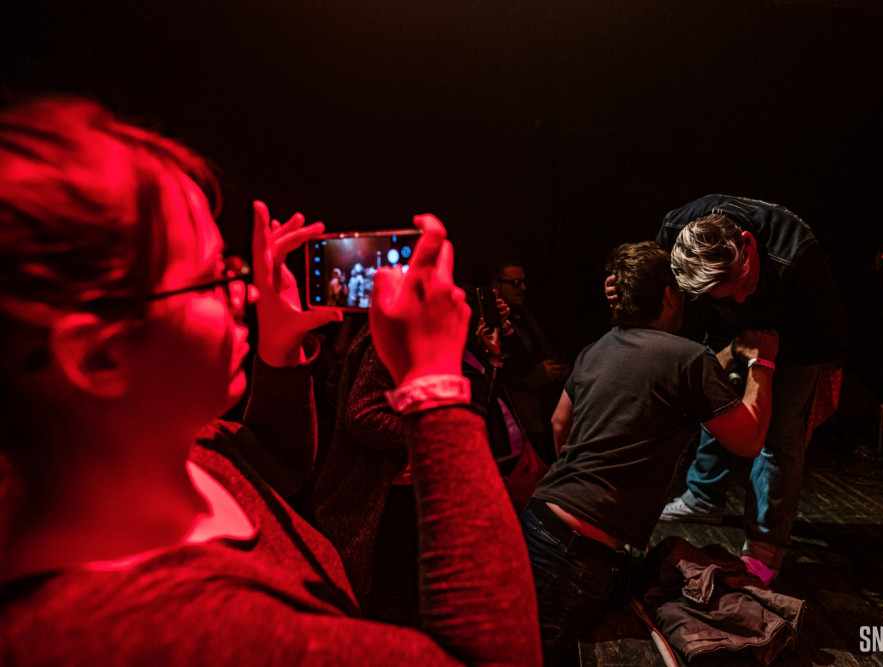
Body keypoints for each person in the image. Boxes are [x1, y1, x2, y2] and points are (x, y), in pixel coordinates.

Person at [0, 96, 541, 666]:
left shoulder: (143, 455)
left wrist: (278, 351)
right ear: (99, 359)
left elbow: (265, 459)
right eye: (212, 278)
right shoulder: (192, 633)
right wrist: (435, 385)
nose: (247, 292)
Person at [525, 241, 778, 666]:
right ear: (667, 295)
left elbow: (558, 423)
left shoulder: (596, 349)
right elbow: (749, 440)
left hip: (538, 524)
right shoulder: (689, 357)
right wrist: (763, 364)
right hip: (576, 555)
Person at [646, 194, 848, 585]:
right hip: (729, 336)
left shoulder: (797, 253)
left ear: (748, 244)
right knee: (714, 408)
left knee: (779, 436)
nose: (741, 299)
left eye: (744, 284)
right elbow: (652, 284)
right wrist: (626, 287)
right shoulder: (674, 229)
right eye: (726, 293)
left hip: (795, 344)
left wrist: (766, 355)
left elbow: (830, 339)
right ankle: (703, 497)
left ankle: (765, 545)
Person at [492, 259, 568, 463]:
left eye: (524, 282)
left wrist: (558, 368)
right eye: (515, 283)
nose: (522, 288)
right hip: (519, 418)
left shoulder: (525, 315)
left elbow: (539, 349)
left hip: (542, 410)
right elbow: (502, 372)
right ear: (496, 286)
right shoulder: (492, 323)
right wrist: (541, 373)